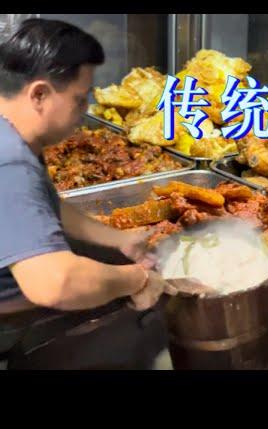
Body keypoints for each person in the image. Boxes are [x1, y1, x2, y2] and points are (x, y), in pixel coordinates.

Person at [0, 18, 166, 315]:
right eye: (79, 100)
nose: (85, 111)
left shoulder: (13, 133)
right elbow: (56, 284)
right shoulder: (10, 162)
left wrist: (118, 239)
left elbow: (40, 206)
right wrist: (136, 279)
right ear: (39, 95)